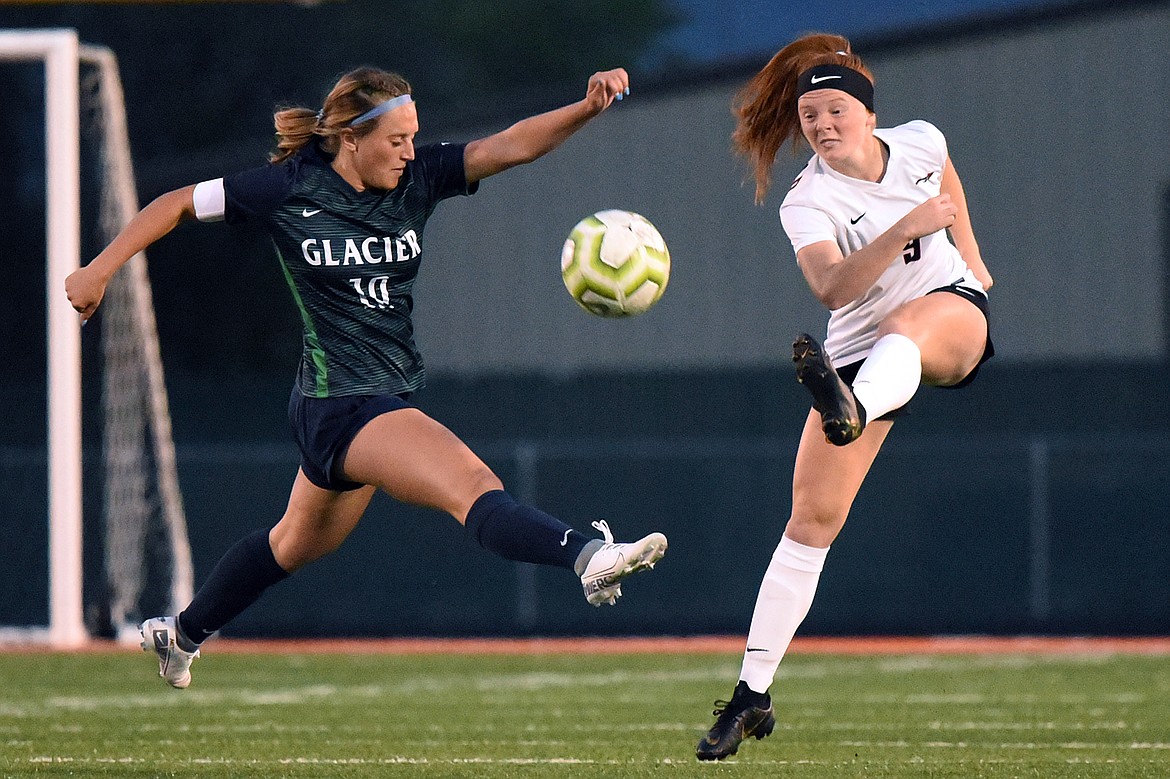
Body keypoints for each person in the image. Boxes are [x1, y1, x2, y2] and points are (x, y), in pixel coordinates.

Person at [66, 65, 668, 689]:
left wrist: (586, 108)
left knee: (291, 546)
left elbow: (509, 144)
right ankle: (589, 556)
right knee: (473, 486)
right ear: (351, 138)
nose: (410, 152)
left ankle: (181, 634)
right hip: (343, 404)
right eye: (397, 140)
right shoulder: (287, 188)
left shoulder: (419, 178)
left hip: (357, 403)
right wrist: (100, 270)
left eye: (414, 137)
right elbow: (178, 203)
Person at [696, 33, 994, 760]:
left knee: (908, 325)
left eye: (835, 111)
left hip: (948, 314)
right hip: (861, 354)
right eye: (810, 118)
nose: (822, 126)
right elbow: (831, 287)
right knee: (810, 522)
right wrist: (906, 227)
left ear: (867, 113)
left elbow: (946, 181)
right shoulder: (809, 199)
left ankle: (851, 406)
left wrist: (977, 267)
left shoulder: (920, 141)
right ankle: (751, 694)